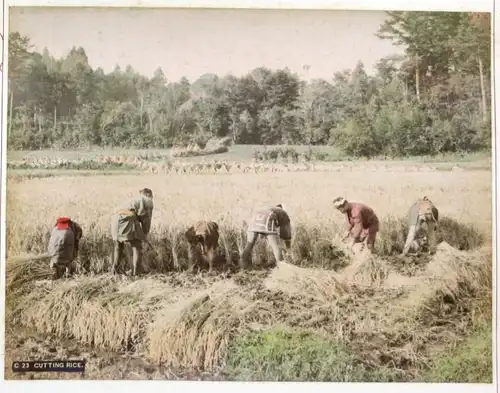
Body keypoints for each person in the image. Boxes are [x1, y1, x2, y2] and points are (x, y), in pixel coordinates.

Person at [110, 188, 154, 276]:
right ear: (149, 195)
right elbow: (146, 219)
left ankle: (115, 270)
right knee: (137, 245)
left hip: (115, 219)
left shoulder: (132, 200)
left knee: (118, 244)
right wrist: (145, 234)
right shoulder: (148, 200)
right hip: (127, 219)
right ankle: (136, 272)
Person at [240, 204, 292, 269]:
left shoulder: (270, 208)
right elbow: (286, 235)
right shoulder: (284, 213)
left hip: (254, 219)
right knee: (275, 246)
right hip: (267, 219)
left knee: (249, 245)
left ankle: (243, 266)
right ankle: (281, 267)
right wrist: (288, 250)